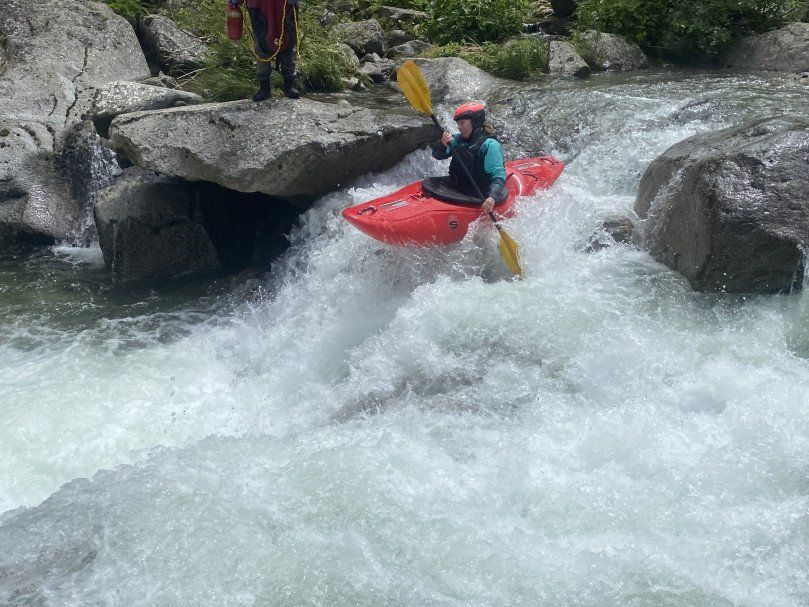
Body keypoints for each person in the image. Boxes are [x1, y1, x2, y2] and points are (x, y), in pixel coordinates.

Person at [430, 101, 507, 213]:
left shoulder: (490, 145)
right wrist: (442, 144)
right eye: (458, 124)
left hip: (478, 194)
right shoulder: (456, 140)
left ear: (475, 122)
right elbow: (438, 156)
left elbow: (498, 176)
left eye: (462, 123)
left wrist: (492, 198)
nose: (459, 127)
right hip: (456, 188)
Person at [228, 0, 301, 101]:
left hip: (284, 6)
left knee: (288, 43)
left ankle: (289, 86)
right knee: (261, 47)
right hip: (259, 6)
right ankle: (264, 88)